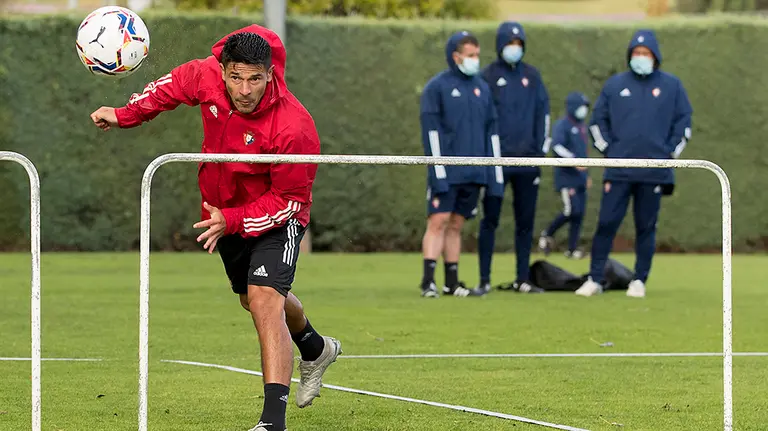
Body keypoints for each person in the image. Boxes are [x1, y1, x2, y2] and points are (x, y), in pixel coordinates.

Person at [89, 25, 342, 431]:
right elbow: (165, 90)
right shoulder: (203, 74)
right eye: (236, 77)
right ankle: (315, 346)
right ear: (222, 70)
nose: (245, 89)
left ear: (270, 74)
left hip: (279, 215)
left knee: (264, 299)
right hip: (223, 212)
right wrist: (123, 115)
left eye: (255, 78)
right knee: (253, 299)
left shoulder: (294, 127)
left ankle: (272, 422)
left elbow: (289, 200)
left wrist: (235, 220)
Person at [575, 29, 692, 298]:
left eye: (646, 53)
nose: (640, 57)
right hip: (619, 170)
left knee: (646, 226)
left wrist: (668, 155)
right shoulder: (615, 85)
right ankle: (594, 278)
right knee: (606, 223)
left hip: (654, 173)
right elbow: (597, 122)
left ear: (655, 56)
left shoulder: (672, 86)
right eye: (636, 53)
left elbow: (684, 123)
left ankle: (639, 280)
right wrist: (608, 151)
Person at [419, 30, 504, 298]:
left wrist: (494, 174)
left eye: (477, 55)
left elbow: (492, 132)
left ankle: (452, 283)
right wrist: (438, 172)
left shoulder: (482, 88)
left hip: (474, 172)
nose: (475, 60)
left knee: (456, 224)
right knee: (438, 221)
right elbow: (431, 133)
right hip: (447, 171)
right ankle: (428, 282)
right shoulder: (437, 87)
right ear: (456, 57)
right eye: (471, 55)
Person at [476, 21, 551, 295]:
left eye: (519, 44)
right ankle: (484, 279)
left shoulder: (532, 76)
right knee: (491, 219)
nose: (514, 48)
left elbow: (544, 115)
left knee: (525, 222)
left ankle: (522, 278)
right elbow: (482, 119)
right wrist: (486, 155)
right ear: (500, 45)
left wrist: (539, 153)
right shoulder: (486, 77)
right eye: (510, 43)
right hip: (496, 162)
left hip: (528, 163)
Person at [539, 92, 593, 259]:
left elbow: (584, 153)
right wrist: (573, 160)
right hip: (566, 177)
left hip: (580, 179)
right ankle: (546, 234)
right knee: (571, 210)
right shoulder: (562, 125)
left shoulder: (582, 127)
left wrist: (587, 175)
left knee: (579, 214)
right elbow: (557, 147)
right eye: (581, 106)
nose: (583, 110)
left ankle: (572, 248)